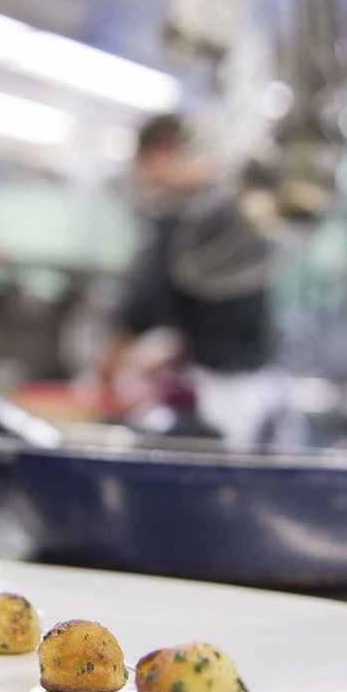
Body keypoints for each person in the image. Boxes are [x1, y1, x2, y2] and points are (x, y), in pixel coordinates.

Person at [99, 112, 287, 446]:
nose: (146, 182)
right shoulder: (228, 207)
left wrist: (111, 364)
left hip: (226, 393)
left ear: (163, 154)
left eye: (145, 168)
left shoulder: (190, 216)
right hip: (261, 383)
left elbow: (146, 304)